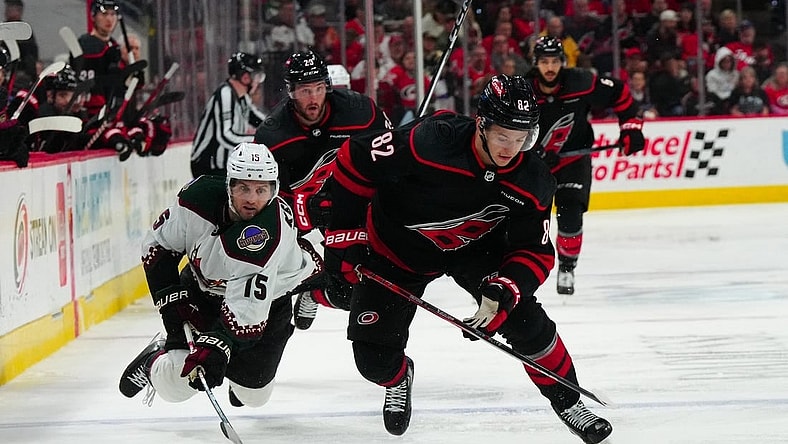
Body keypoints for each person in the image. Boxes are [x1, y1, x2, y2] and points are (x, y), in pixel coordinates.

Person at [324, 74, 613, 443]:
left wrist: (506, 287)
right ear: (481, 125)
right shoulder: (431, 141)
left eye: (522, 137)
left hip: (475, 251)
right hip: (396, 248)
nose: (512, 148)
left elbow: (535, 249)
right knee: (373, 360)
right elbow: (354, 159)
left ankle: (569, 401)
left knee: (523, 318)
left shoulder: (533, 180)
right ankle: (398, 377)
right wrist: (345, 233)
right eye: (503, 136)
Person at [119, 142, 318, 409]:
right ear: (229, 186)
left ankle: (241, 377)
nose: (252, 199)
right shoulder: (197, 199)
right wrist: (171, 302)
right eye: (243, 188)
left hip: (268, 303)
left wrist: (217, 347)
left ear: (274, 190)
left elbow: (247, 313)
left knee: (254, 396)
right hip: (202, 289)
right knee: (178, 385)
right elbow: (158, 247)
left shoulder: (268, 234)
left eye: (261, 190)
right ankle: (153, 360)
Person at [253, 50, 392, 330]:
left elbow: (389, 162)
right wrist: (308, 212)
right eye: (305, 90)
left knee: (360, 290)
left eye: (318, 88)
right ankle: (303, 282)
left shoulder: (361, 113)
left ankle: (316, 292)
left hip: (354, 207)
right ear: (291, 91)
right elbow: (269, 201)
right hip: (305, 216)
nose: (314, 98)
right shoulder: (272, 136)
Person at [526, 36, 645, 295]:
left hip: (572, 161)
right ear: (535, 63)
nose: (550, 67)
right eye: (544, 61)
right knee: (528, 221)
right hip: (533, 167)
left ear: (562, 62)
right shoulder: (522, 90)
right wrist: (530, 151)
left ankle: (567, 267)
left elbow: (621, 93)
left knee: (570, 214)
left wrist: (631, 129)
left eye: (554, 61)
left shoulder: (580, 81)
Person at [190, 52, 267, 177]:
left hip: (223, 166)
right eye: (257, 76)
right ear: (246, 77)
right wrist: (258, 141)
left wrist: (278, 130)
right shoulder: (225, 94)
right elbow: (225, 136)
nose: (258, 82)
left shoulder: (242, 97)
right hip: (208, 167)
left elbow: (259, 120)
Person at [77, 0, 129, 118]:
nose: (109, 19)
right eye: (104, 14)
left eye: (113, 14)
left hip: (114, 111)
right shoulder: (85, 43)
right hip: (91, 113)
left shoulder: (114, 45)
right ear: (93, 16)